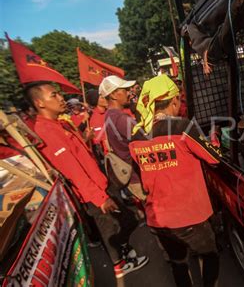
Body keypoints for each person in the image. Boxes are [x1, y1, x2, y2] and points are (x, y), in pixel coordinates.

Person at [24, 81, 148, 278]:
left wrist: (85, 137)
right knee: (112, 228)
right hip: (92, 193)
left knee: (119, 223)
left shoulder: (60, 124)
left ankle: (123, 252)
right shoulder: (47, 131)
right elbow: (73, 170)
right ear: (40, 103)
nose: (60, 98)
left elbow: (80, 155)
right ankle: (119, 264)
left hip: (99, 183)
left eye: (59, 93)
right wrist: (99, 197)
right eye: (54, 95)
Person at [129, 75, 222, 287]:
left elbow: (141, 170)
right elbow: (214, 158)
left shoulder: (136, 137)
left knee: (178, 263)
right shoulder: (183, 127)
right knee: (209, 255)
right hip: (189, 215)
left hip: (158, 219)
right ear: (173, 101)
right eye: (179, 100)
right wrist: (214, 138)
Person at [99, 75, 145, 201]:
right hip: (138, 177)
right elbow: (145, 140)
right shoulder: (120, 118)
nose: (129, 93)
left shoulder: (110, 115)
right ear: (113, 95)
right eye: (125, 90)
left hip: (133, 177)